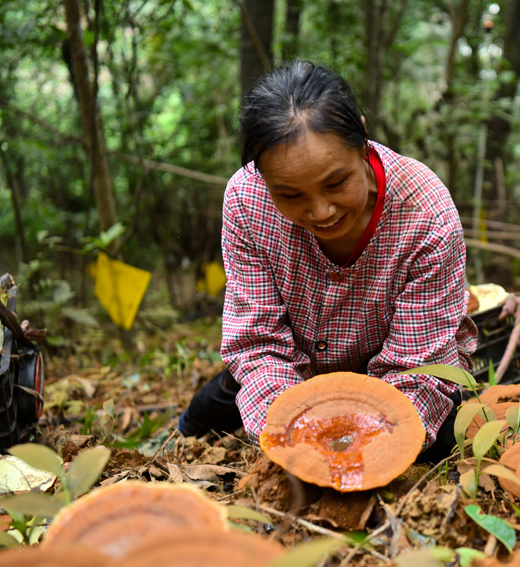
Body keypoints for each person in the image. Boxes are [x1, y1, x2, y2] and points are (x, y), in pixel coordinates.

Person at [177, 61, 477, 463]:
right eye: (290, 195)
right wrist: (295, 437)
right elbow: (259, 342)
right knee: (201, 418)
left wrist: (365, 448)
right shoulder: (247, 202)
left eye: (336, 183)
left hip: (393, 365)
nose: (320, 211)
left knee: (437, 445)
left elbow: (417, 368)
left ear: (363, 139)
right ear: (262, 177)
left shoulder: (426, 215)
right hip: (294, 365)